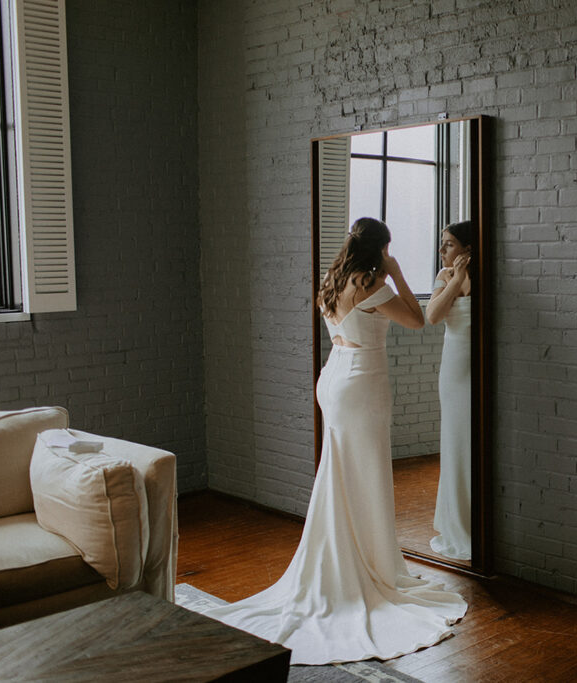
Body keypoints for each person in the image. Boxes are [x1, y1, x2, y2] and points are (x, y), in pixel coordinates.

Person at [199, 218, 466, 665]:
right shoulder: (371, 282)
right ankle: (367, 566)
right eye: (388, 249)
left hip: (334, 378)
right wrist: (397, 272)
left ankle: (352, 557)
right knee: (366, 475)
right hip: (362, 383)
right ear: (380, 249)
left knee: (341, 474)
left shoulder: (334, 278)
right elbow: (418, 320)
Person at [425, 221, 473, 561]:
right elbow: (433, 316)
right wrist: (455, 280)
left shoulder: (485, 276)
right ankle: (457, 523)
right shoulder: (445, 277)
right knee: (457, 441)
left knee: (474, 444)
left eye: (449, 244)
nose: (443, 251)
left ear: (468, 249)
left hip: (482, 366)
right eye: (443, 244)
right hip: (455, 369)